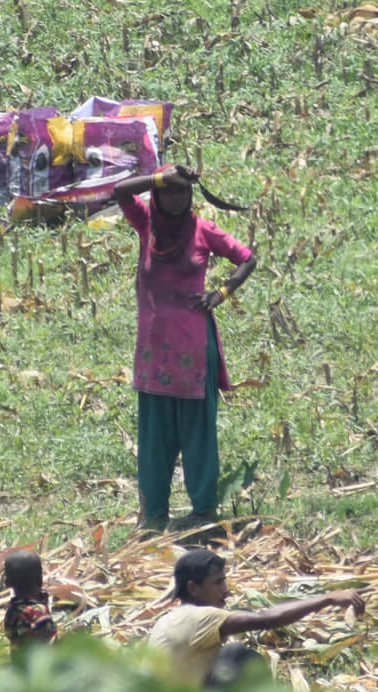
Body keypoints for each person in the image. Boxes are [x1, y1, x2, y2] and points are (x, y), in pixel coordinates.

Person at [114, 164, 257, 532]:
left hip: (194, 350)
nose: (178, 198)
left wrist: (221, 293)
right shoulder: (147, 224)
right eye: (170, 191)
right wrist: (158, 177)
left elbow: (246, 258)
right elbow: (120, 191)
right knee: (154, 436)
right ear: (158, 195)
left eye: (183, 192)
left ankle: (203, 511)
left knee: (198, 433)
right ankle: (154, 515)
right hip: (153, 351)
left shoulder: (202, 230)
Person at [149, 549, 366, 688]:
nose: (226, 591)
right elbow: (266, 619)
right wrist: (327, 598)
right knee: (243, 658)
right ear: (193, 588)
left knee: (230, 654)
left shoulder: (169, 619)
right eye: (217, 583)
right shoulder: (200, 617)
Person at [3, 550, 58, 656]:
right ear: (40, 580)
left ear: (7, 583)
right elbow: (50, 645)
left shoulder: (12, 610)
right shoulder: (38, 612)